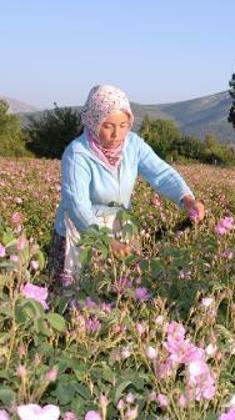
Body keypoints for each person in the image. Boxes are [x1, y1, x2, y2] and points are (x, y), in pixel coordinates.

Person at [47, 85, 204, 285]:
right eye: (108, 126)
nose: (117, 134)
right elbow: (78, 207)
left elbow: (161, 173)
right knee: (75, 296)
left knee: (121, 292)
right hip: (81, 232)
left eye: (123, 125)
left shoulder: (133, 145)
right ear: (93, 122)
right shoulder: (77, 154)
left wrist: (187, 199)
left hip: (121, 229)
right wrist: (105, 242)